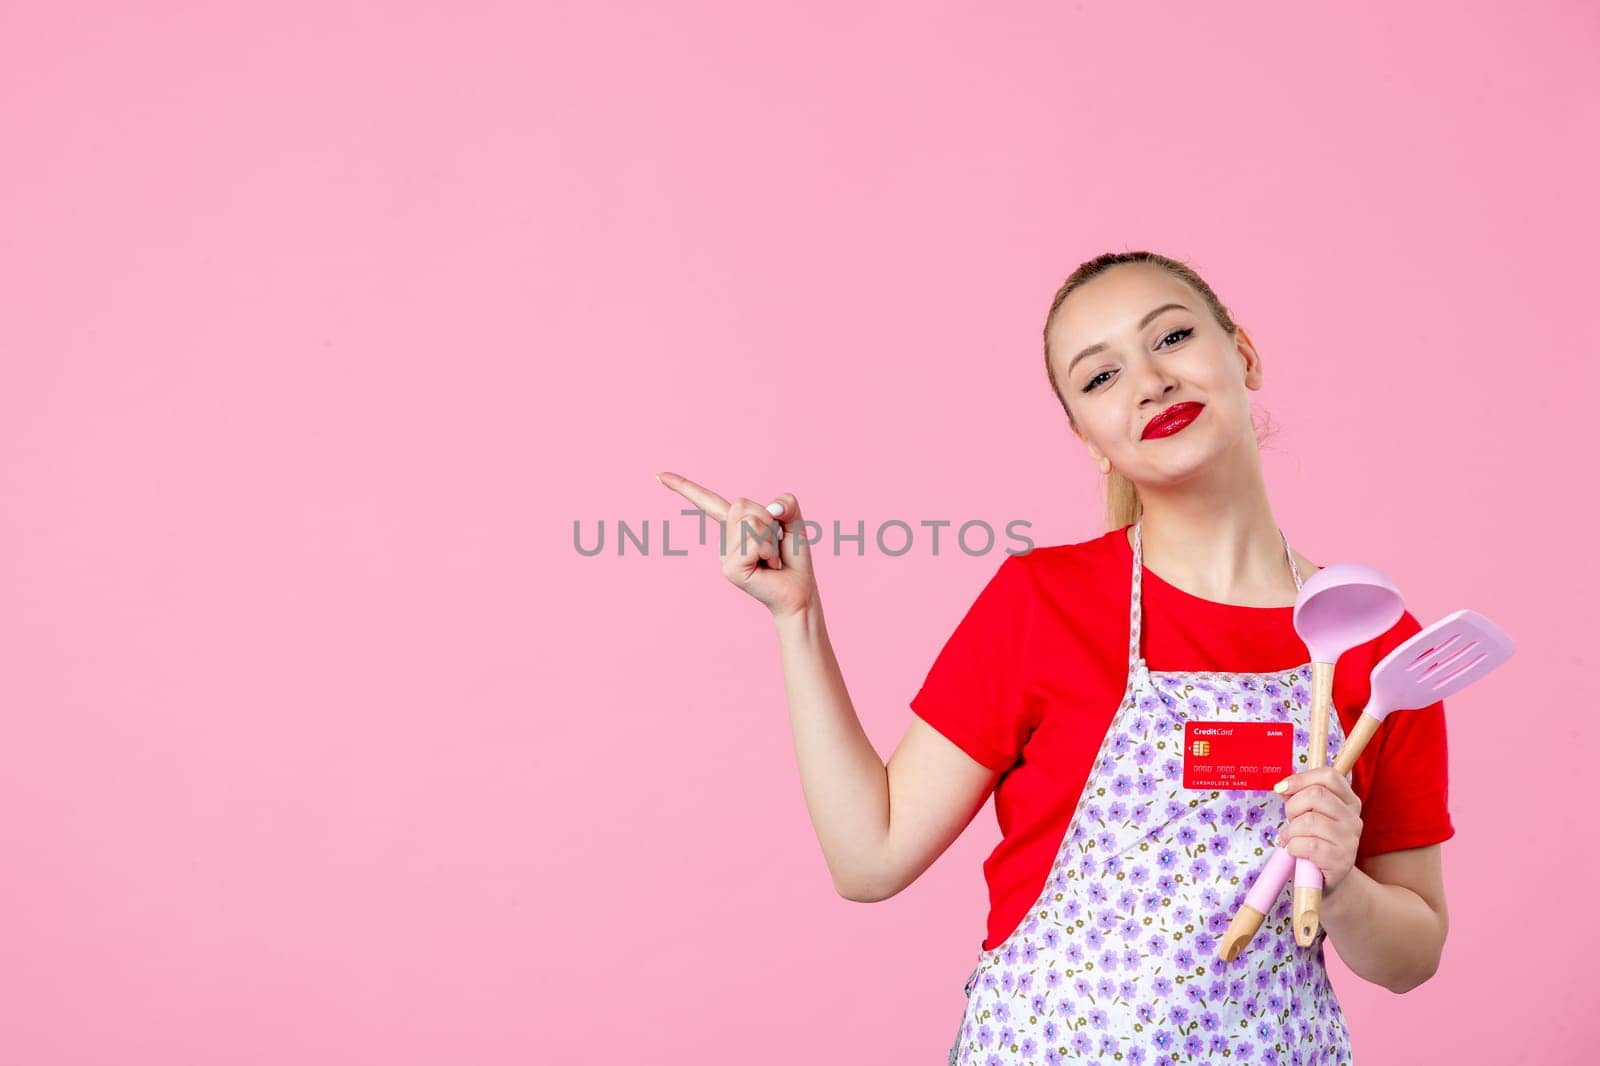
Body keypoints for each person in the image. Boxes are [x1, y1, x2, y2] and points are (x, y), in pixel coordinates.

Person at [655, 250, 1451, 1065]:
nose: (1148, 381)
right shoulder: (1043, 603)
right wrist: (797, 616)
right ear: (1088, 438)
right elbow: (870, 857)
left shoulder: (1373, 636)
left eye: (1171, 336)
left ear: (1242, 354)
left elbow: (1414, 954)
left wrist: (1343, 884)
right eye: (1101, 378)